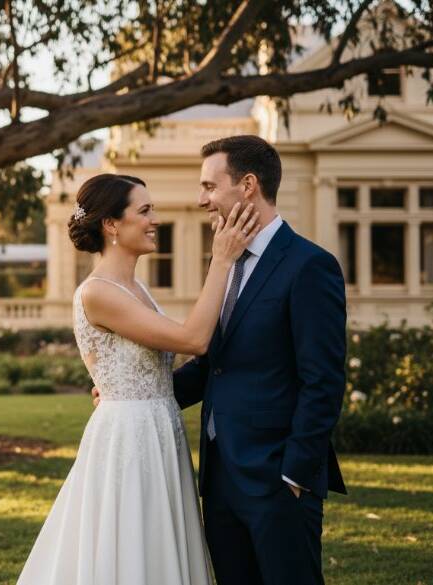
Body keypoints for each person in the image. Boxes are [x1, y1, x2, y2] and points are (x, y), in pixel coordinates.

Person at [93, 135, 348, 585]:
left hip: (278, 480)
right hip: (220, 479)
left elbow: (323, 381)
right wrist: (133, 392)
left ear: (247, 185)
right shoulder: (227, 262)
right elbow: (217, 363)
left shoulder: (310, 266)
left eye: (210, 186)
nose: (201, 200)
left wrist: (295, 473)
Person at [16, 172, 258, 585]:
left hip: (159, 428)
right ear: (111, 224)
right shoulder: (98, 293)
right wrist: (222, 260)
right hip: (129, 438)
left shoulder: (137, 287)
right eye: (144, 211)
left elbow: (156, 362)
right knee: (130, 545)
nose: (155, 220)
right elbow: (193, 339)